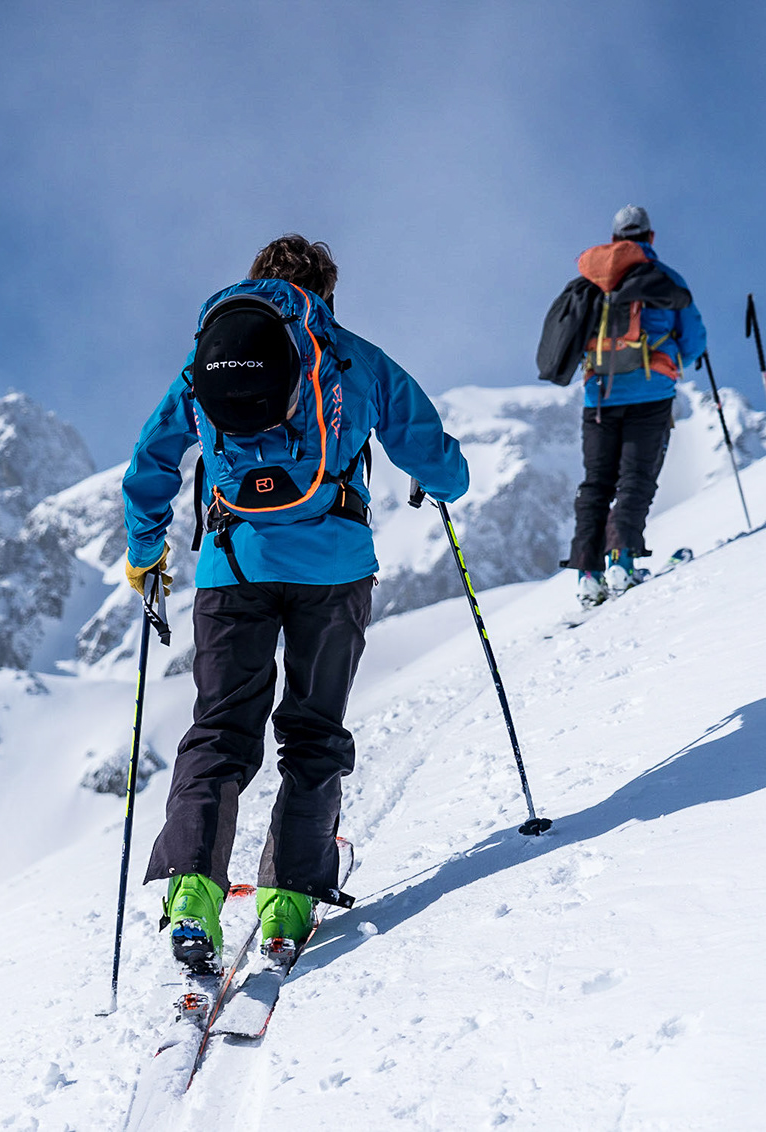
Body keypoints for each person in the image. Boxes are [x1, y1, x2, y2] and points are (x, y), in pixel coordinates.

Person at [120, 235, 470, 974]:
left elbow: (152, 459)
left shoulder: (206, 358)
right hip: (334, 573)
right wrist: (446, 478)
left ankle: (191, 894)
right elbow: (435, 455)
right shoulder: (350, 355)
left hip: (231, 567)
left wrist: (146, 550)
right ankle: (287, 901)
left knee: (219, 732)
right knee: (313, 732)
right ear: (326, 293)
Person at [541, 204, 707, 608]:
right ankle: (622, 562)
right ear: (649, 238)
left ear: (615, 240)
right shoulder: (666, 280)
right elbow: (693, 340)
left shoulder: (590, 280)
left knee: (596, 484)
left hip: (598, 397)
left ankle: (587, 575)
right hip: (651, 394)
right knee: (635, 479)